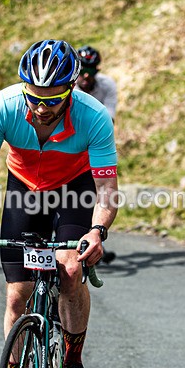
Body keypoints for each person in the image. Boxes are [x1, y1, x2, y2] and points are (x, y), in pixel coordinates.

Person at [0, 39, 118, 368]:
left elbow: (107, 186)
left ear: (71, 89)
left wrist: (97, 231)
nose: (42, 108)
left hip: (73, 190)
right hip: (25, 190)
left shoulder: (94, 117)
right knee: (17, 295)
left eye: (52, 99)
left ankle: (73, 364)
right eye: (35, 96)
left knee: (71, 268)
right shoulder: (4, 106)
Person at [76, 45, 118, 264]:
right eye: (83, 69)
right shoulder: (69, 86)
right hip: (70, 143)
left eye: (91, 71)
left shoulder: (107, 85)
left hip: (96, 141)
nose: (85, 75)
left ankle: (93, 236)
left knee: (99, 189)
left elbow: (109, 121)